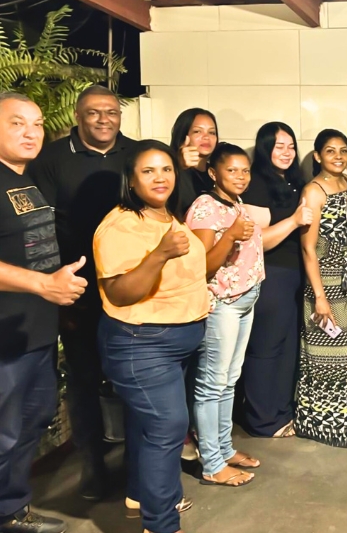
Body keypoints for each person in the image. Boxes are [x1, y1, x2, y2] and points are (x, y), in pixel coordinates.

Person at [94, 140, 208, 533]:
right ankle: (160, 524)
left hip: (176, 341)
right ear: (131, 179)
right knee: (167, 427)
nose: (160, 178)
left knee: (151, 427)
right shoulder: (120, 226)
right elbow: (120, 293)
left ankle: (140, 497)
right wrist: (158, 254)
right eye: (148, 171)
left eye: (166, 169)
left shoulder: (166, 215)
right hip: (141, 343)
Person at [28, 85, 133, 500]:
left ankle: (135, 465)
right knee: (85, 379)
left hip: (132, 288)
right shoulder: (52, 159)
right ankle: (92, 467)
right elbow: (40, 230)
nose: (104, 119)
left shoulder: (135, 153)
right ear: (77, 115)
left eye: (111, 111)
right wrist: (55, 293)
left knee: (132, 378)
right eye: (94, 112)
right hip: (78, 290)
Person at [0, 92, 88, 533]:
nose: (31, 132)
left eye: (36, 123)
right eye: (17, 123)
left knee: (29, 425)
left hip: (37, 333)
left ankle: (11, 511)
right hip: (5, 340)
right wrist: (41, 284)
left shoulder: (26, 179)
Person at [186, 143, 264, 486]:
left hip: (245, 299)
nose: (241, 176)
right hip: (223, 303)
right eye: (231, 170)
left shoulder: (236, 202)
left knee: (229, 380)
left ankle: (224, 448)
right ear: (213, 173)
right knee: (212, 384)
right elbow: (201, 265)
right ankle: (212, 463)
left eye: (245, 170)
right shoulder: (205, 207)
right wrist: (231, 235)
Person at [239, 122, 311, 438]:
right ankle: (261, 420)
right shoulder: (255, 183)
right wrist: (294, 221)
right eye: (279, 145)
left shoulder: (294, 181)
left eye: (291, 146)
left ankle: (281, 414)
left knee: (287, 348)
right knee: (266, 348)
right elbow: (258, 241)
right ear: (265, 147)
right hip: (270, 274)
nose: (286, 152)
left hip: (295, 274)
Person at [296, 130, 347, 448]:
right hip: (325, 283)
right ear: (317, 156)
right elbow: (308, 248)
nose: (338, 156)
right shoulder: (314, 191)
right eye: (330, 151)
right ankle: (323, 424)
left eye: (343, 150)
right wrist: (320, 297)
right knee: (326, 356)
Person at [169, 108, 219, 216]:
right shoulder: (172, 169)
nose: (206, 137)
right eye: (197, 131)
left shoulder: (217, 172)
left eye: (212, 132)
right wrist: (178, 166)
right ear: (183, 135)